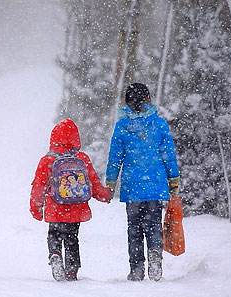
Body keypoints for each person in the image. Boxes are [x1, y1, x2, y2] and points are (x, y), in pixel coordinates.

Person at [105, 83, 180, 281]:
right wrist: (173, 179)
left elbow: (115, 157)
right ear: (148, 99)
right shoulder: (159, 124)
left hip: (133, 188)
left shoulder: (122, 127)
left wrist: (111, 183)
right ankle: (155, 254)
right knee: (154, 224)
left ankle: (136, 268)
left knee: (134, 229)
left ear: (127, 102)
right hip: (155, 186)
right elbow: (168, 155)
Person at [30, 118, 112, 281]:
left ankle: (54, 254)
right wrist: (105, 195)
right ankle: (72, 270)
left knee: (54, 234)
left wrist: (36, 208)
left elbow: (38, 187)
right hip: (76, 209)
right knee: (72, 238)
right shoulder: (82, 159)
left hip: (55, 207)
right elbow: (93, 183)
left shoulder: (47, 161)